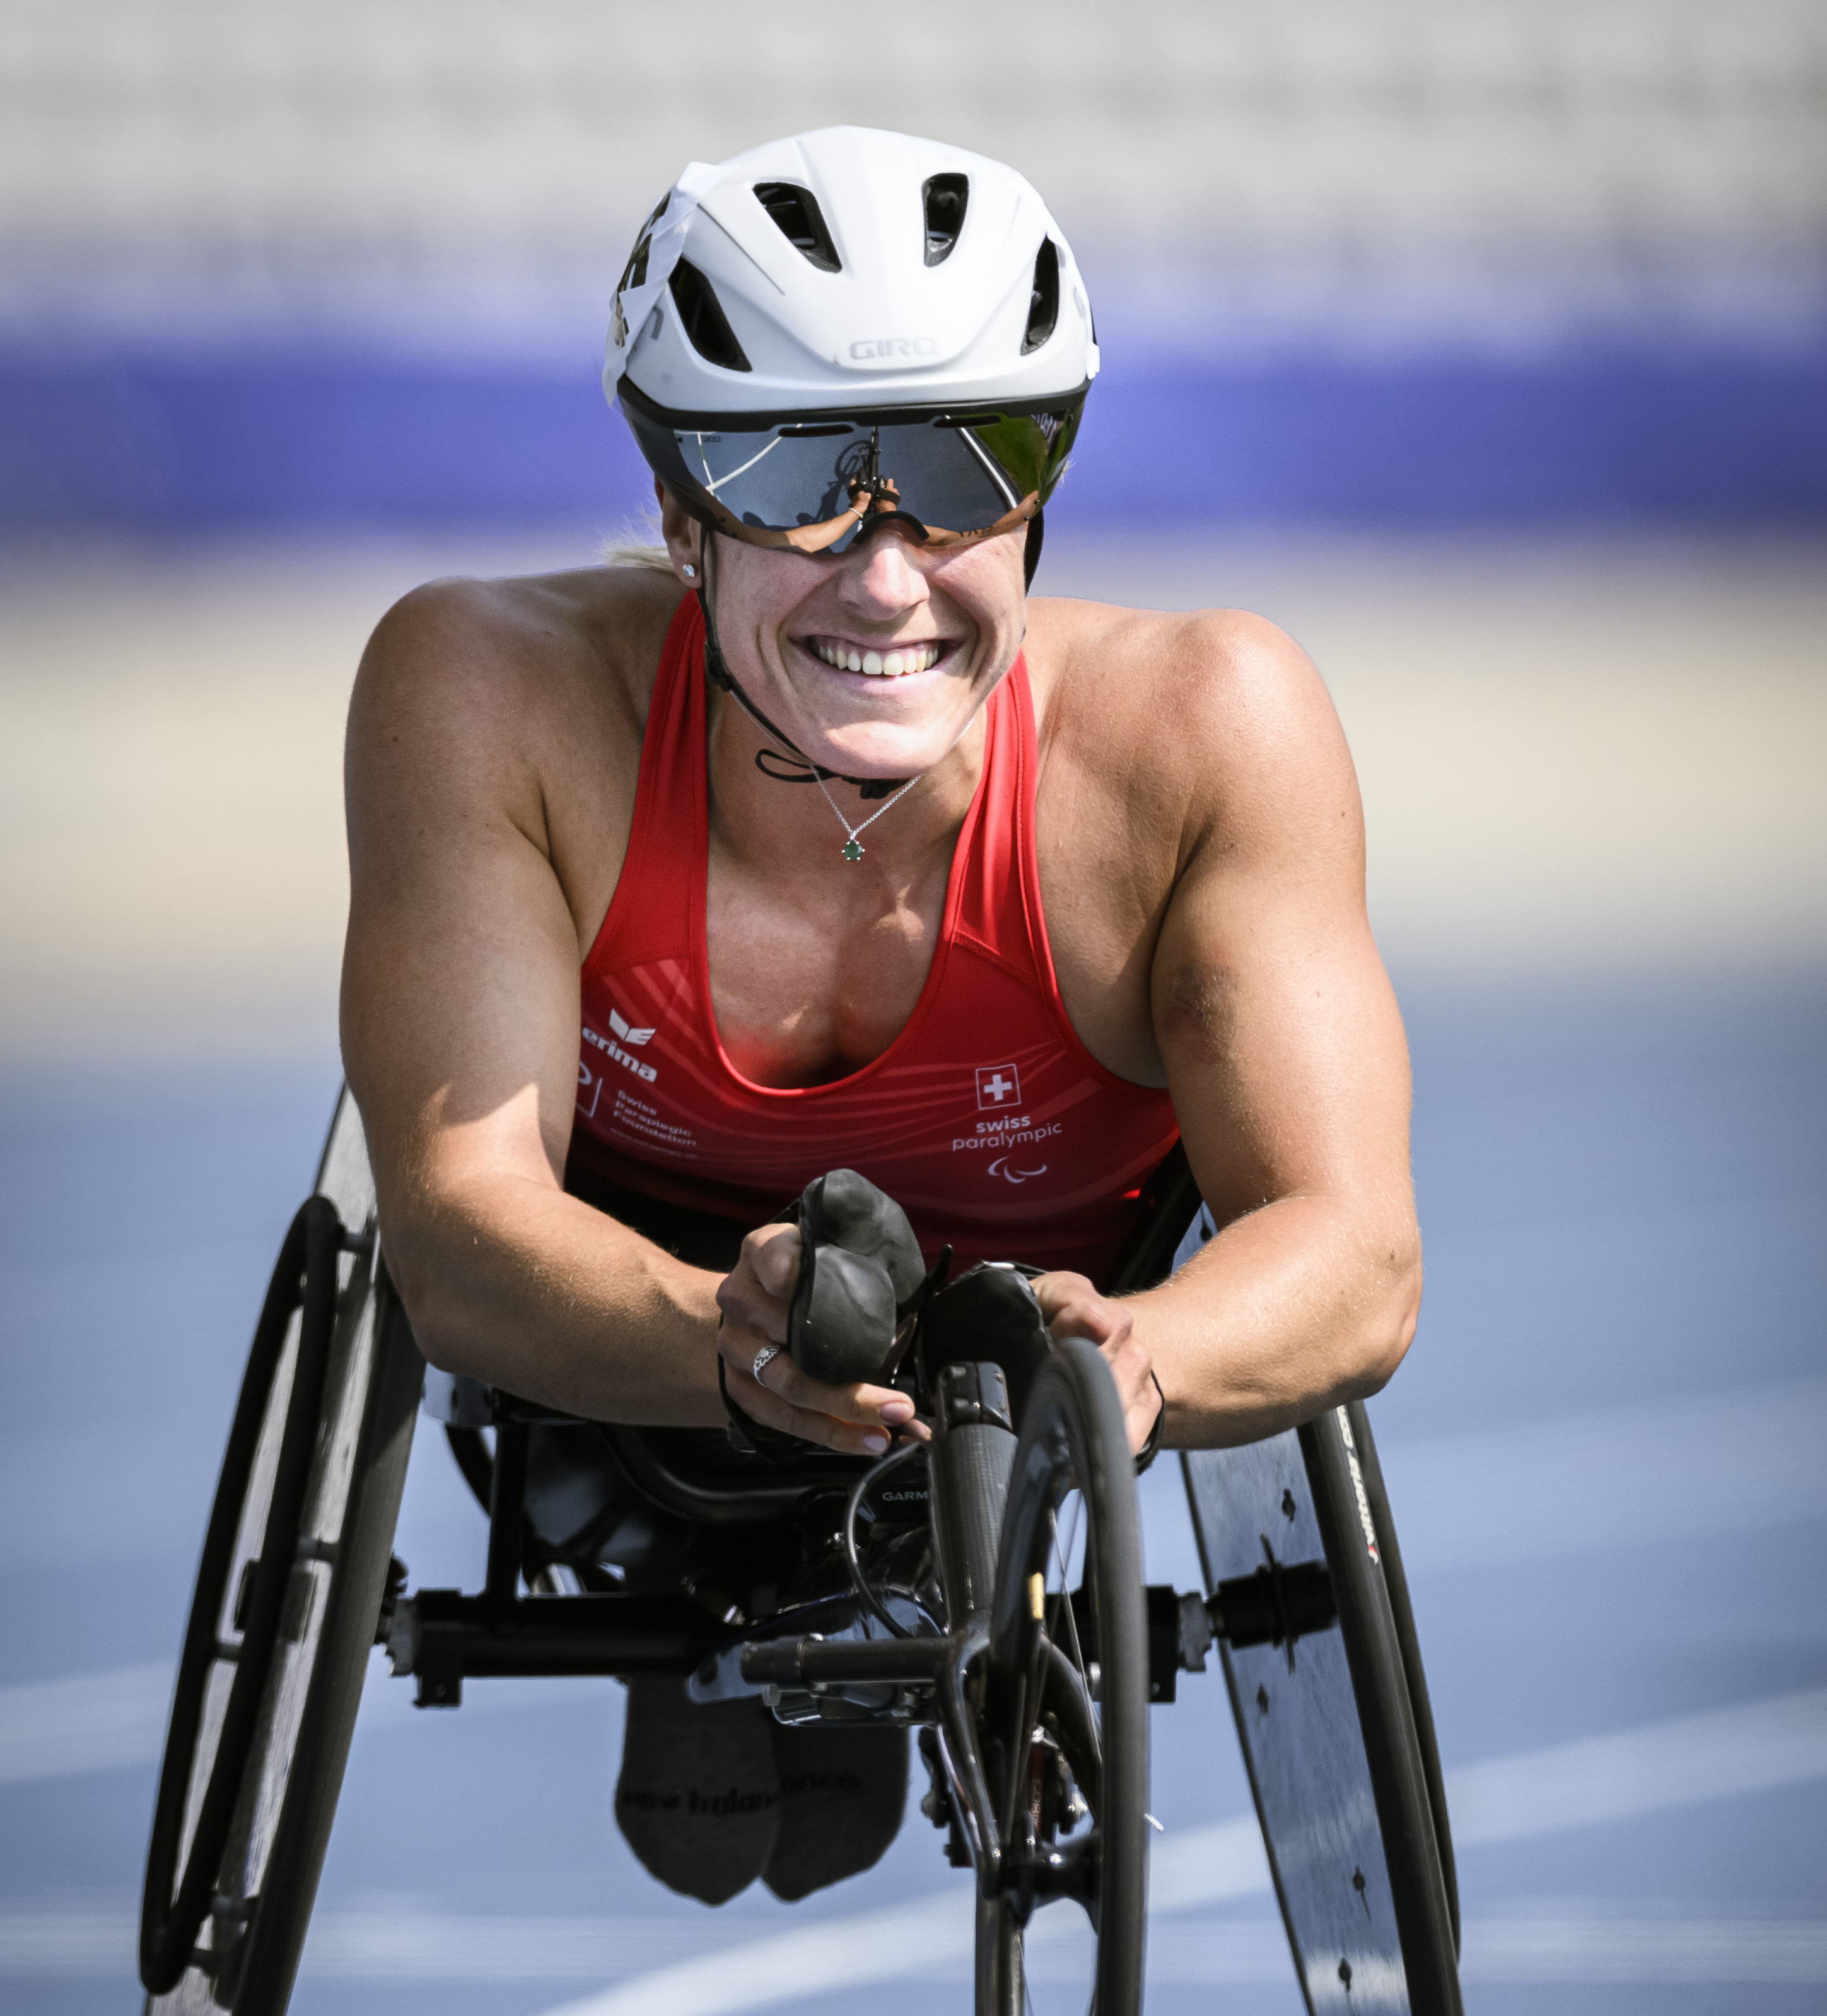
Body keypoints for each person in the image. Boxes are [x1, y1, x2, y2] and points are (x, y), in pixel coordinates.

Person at [341, 126, 1422, 1904]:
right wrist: (730, 1337)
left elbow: (1355, 1252)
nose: (885, 570)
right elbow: (455, 1238)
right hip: (631, 1416)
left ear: (1041, 492)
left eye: (957, 466)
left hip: (1028, 1393)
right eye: (791, 479)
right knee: (642, 1519)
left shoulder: (1209, 729)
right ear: (678, 508)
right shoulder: (488, 694)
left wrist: (1140, 1357)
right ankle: (722, 1620)